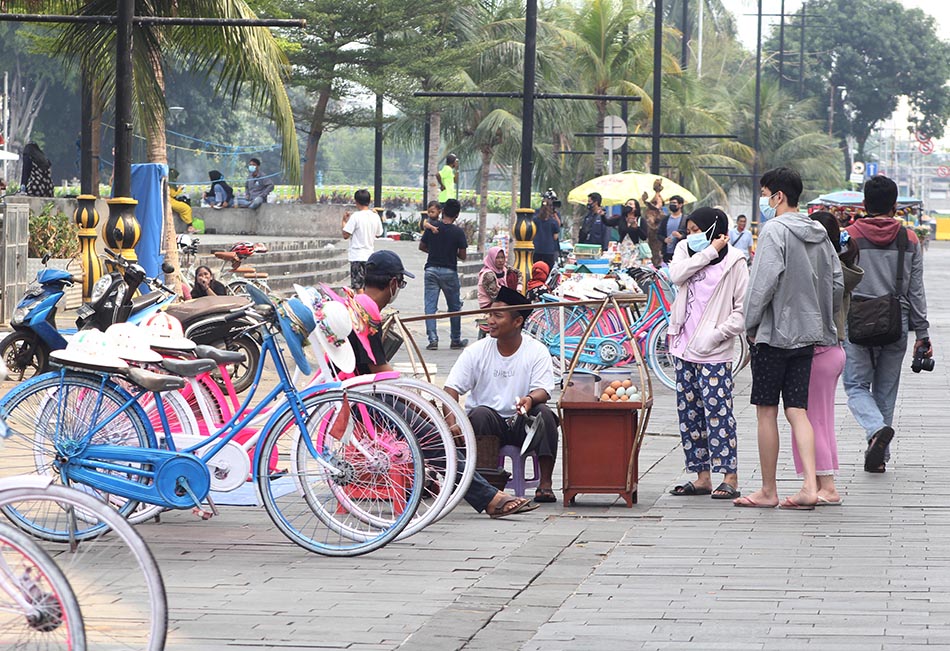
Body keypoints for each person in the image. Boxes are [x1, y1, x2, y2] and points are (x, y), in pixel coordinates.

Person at [348, 251, 540, 518]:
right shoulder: (367, 314)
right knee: (435, 436)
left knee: (431, 427)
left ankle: (467, 488)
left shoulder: (355, 306)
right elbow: (381, 371)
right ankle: (489, 498)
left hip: (368, 394)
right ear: (393, 284)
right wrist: (417, 397)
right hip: (370, 400)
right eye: (401, 285)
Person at [736, 167, 842, 510]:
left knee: (766, 411)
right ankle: (811, 485)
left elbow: (762, 283)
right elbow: (836, 282)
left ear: (778, 196)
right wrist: (824, 323)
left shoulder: (774, 231)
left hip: (774, 335)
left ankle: (768, 490)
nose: (764, 201)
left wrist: (749, 325)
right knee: (798, 410)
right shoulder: (819, 232)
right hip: (809, 335)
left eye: (765, 193)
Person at [843, 175, 932, 474]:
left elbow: (835, 283)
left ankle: (875, 430)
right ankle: (879, 455)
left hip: (856, 319)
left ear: (864, 204)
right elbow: (915, 289)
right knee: (885, 390)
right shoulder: (910, 239)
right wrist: (923, 333)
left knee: (856, 385)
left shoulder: (849, 235)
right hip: (897, 319)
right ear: (895, 207)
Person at [446, 285, 559, 504]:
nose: (490, 320)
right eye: (489, 314)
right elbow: (451, 389)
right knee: (478, 414)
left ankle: (545, 483)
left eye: (498, 316)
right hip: (488, 424)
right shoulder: (476, 351)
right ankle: (486, 487)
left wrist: (530, 400)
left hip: (521, 422)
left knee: (544, 414)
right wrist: (451, 422)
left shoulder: (536, 351)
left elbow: (543, 390)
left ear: (517, 322)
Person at [666, 208, 748, 500]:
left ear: (715, 228)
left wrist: (715, 335)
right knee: (690, 414)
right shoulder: (685, 251)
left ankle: (730, 476)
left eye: (696, 230)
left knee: (718, 412)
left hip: (714, 352)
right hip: (683, 348)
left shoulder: (736, 262)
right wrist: (709, 251)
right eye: (688, 230)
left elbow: (742, 311)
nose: (691, 236)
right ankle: (702, 477)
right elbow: (676, 276)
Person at [788, 212, 862, 504]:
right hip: (835, 351)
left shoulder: (823, 269)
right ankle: (823, 483)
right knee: (822, 420)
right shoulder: (839, 266)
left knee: (810, 420)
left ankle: (827, 486)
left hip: (818, 350)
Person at [420, 198, 469, 351]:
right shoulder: (458, 232)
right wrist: (450, 252)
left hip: (431, 270)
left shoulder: (433, 227)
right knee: (454, 307)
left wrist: (435, 251)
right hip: (449, 271)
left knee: (430, 306)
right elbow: (463, 256)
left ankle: (433, 339)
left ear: (443, 211)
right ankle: (455, 339)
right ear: (457, 215)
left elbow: (422, 246)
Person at [342, 188, 383, 291]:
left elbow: (345, 234)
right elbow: (378, 234)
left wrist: (344, 221)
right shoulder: (375, 216)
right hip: (370, 256)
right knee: (368, 287)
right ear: (369, 201)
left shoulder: (356, 216)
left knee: (359, 286)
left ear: (356, 201)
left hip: (357, 256)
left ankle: (361, 307)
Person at [533, 191, 561, 267]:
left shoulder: (555, 215)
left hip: (540, 248)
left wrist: (554, 213)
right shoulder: (536, 214)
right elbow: (556, 235)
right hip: (547, 249)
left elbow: (559, 225)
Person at [658, 195, 687, 263]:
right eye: (670, 203)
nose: (672, 205)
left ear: (680, 205)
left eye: (674, 203)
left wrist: (681, 236)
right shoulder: (665, 219)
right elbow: (659, 234)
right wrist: (664, 239)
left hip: (681, 252)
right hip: (667, 252)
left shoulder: (686, 219)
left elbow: (690, 234)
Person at [168, 168, 194, 234]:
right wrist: (180, 189)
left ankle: (189, 225)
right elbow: (173, 194)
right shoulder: (170, 184)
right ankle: (190, 227)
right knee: (186, 208)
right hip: (170, 201)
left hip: (171, 200)